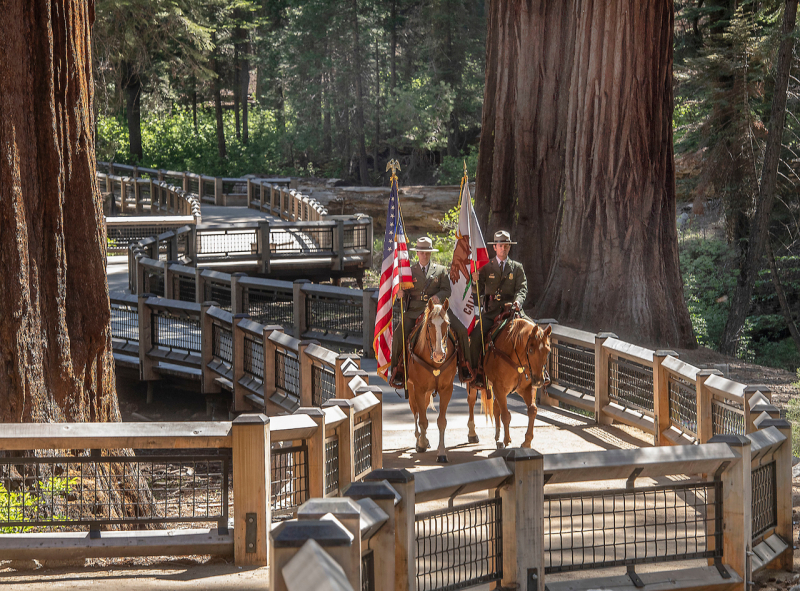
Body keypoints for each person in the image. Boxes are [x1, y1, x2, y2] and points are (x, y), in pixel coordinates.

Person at [389, 236, 452, 388]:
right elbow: (403, 295)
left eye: (427, 252)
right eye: (422, 252)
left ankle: (462, 365)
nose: (425, 255)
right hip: (415, 311)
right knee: (398, 335)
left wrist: (439, 296)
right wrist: (401, 295)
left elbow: (447, 290)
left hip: (436, 312)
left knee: (460, 331)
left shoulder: (441, 270)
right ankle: (397, 371)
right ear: (417, 253)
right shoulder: (409, 271)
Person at [469, 230, 528, 388]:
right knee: (475, 338)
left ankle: (538, 372)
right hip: (492, 312)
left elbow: (522, 289)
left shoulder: (517, 268)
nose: (504, 248)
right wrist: (475, 281)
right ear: (494, 247)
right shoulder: (487, 267)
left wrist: (518, 301)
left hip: (512, 310)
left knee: (535, 333)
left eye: (507, 246)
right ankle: (476, 373)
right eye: (501, 245)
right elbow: (478, 290)